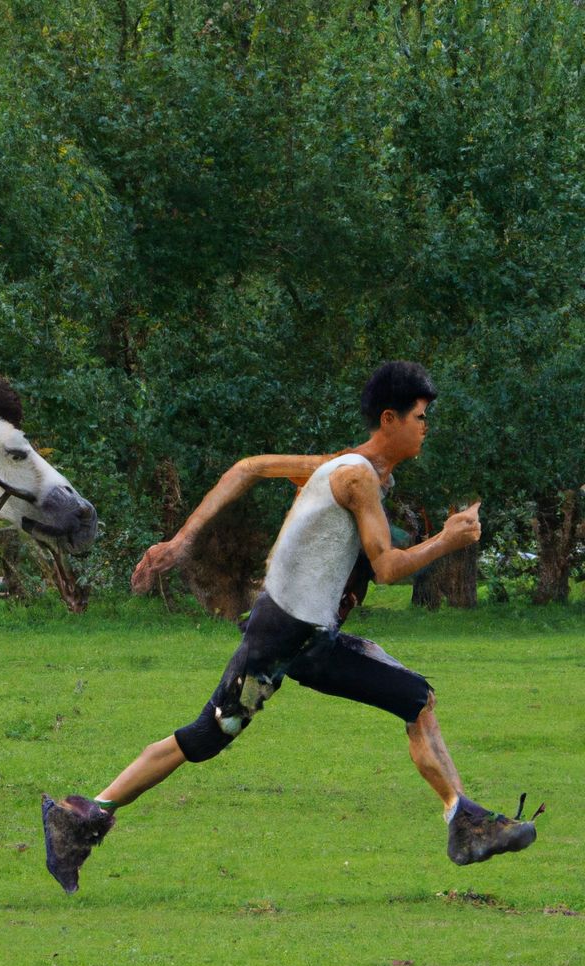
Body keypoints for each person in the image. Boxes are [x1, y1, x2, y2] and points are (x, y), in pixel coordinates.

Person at [42, 361, 541, 893]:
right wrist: (448, 539)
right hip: (285, 638)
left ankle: (463, 821)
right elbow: (389, 568)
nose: (426, 426)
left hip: (305, 635)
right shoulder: (356, 477)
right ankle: (79, 818)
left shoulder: (344, 466)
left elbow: (249, 467)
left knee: (415, 699)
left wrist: (180, 542)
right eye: (420, 417)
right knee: (207, 736)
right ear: (389, 419)